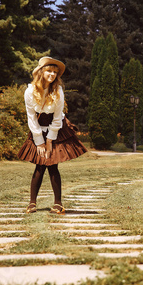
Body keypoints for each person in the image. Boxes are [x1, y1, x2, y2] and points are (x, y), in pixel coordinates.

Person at [17, 57, 88, 214]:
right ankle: (31, 203)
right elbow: (31, 118)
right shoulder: (29, 91)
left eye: (55, 72)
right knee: (40, 164)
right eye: (49, 71)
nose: (52, 74)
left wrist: (49, 140)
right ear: (41, 72)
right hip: (37, 128)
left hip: (55, 129)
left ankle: (58, 203)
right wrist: (39, 142)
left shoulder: (58, 91)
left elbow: (57, 117)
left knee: (53, 164)